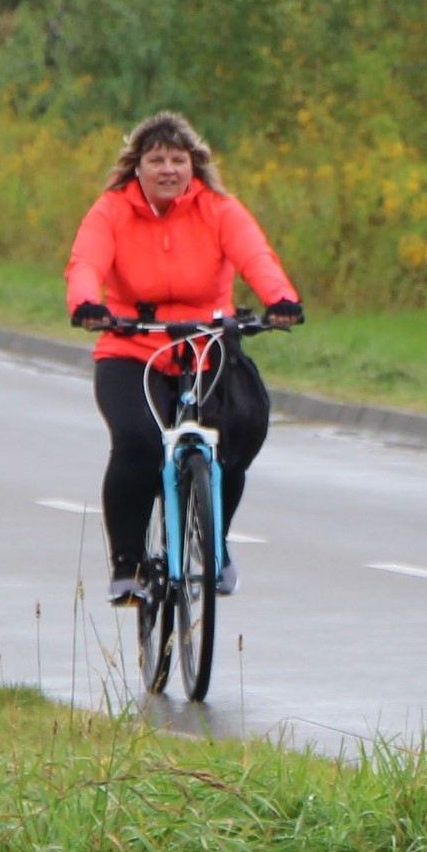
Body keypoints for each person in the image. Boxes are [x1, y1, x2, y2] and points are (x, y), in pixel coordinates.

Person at [64, 111, 305, 606]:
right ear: (138, 167)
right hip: (132, 345)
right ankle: (128, 565)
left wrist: (279, 299)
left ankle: (213, 543)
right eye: (156, 160)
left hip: (207, 343)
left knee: (234, 437)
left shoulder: (219, 209)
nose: (168, 169)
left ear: (194, 165)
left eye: (179, 159)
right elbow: (86, 262)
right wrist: (87, 305)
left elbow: (255, 256)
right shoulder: (111, 211)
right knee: (137, 442)